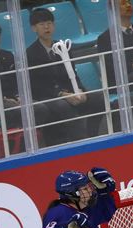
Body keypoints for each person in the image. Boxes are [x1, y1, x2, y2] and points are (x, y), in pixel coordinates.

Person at [26, 8, 105, 145]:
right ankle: (81, 143)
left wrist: (80, 90)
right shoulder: (30, 54)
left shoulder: (63, 47)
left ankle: (92, 137)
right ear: (34, 28)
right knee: (63, 105)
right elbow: (37, 86)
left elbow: (72, 73)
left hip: (69, 92)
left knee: (98, 98)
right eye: (41, 24)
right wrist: (62, 94)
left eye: (49, 23)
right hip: (49, 96)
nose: (46, 27)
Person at [0, 22, 49, 153]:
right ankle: (16, 147)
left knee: (41, 108)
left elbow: (16, 81)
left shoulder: (8, 56)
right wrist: (4, 99)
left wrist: (18, 96)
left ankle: (28, 143)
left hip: (13, 99)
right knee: (18, 112)